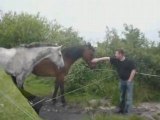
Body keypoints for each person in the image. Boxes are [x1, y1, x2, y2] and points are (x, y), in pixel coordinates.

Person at [92, 49, 136, 114]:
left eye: (116, 54)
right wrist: (97, 60)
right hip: (122, 81)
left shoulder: (129, 61)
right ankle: (121, 110)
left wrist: (129, 80)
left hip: (129, 81)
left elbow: (133, 70)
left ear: (120, 54)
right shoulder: (116, 60)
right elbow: (107, 58)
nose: (115, 55)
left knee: (129, 98)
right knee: (122, 97)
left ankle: (128, 113)